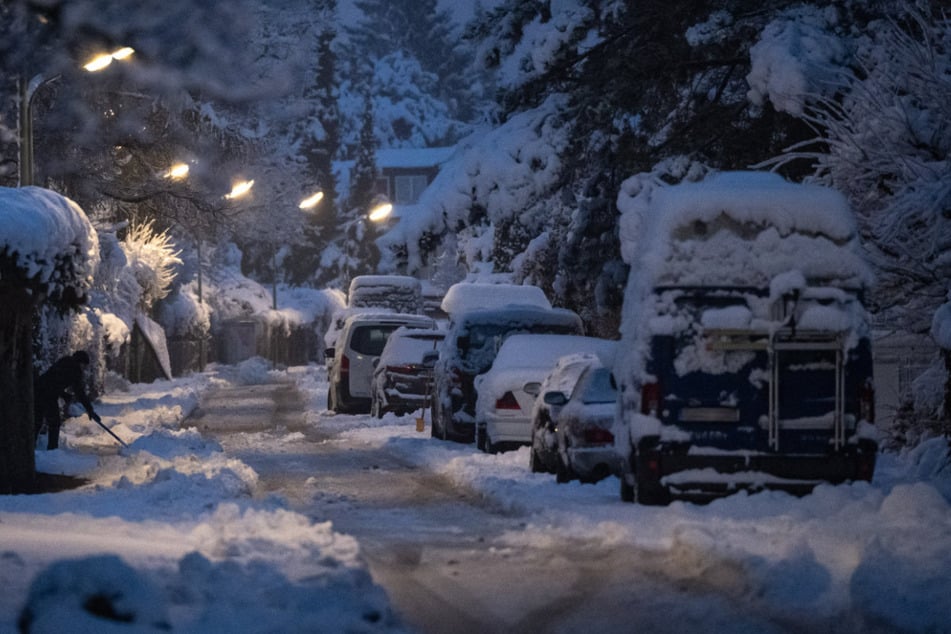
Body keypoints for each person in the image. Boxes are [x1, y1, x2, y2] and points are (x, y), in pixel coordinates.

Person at [33, 350, 101, 450]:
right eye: (83, 365)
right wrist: (89, 409)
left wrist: (64, 395)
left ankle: (29, 448)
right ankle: (52, 450)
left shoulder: (65, 361)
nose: (83, 368)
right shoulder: (74, 370)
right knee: (54, 423)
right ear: (80, 362)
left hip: (38, 391)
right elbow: (79, 392)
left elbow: (53, 380)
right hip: (47, 395)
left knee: (37, 421)